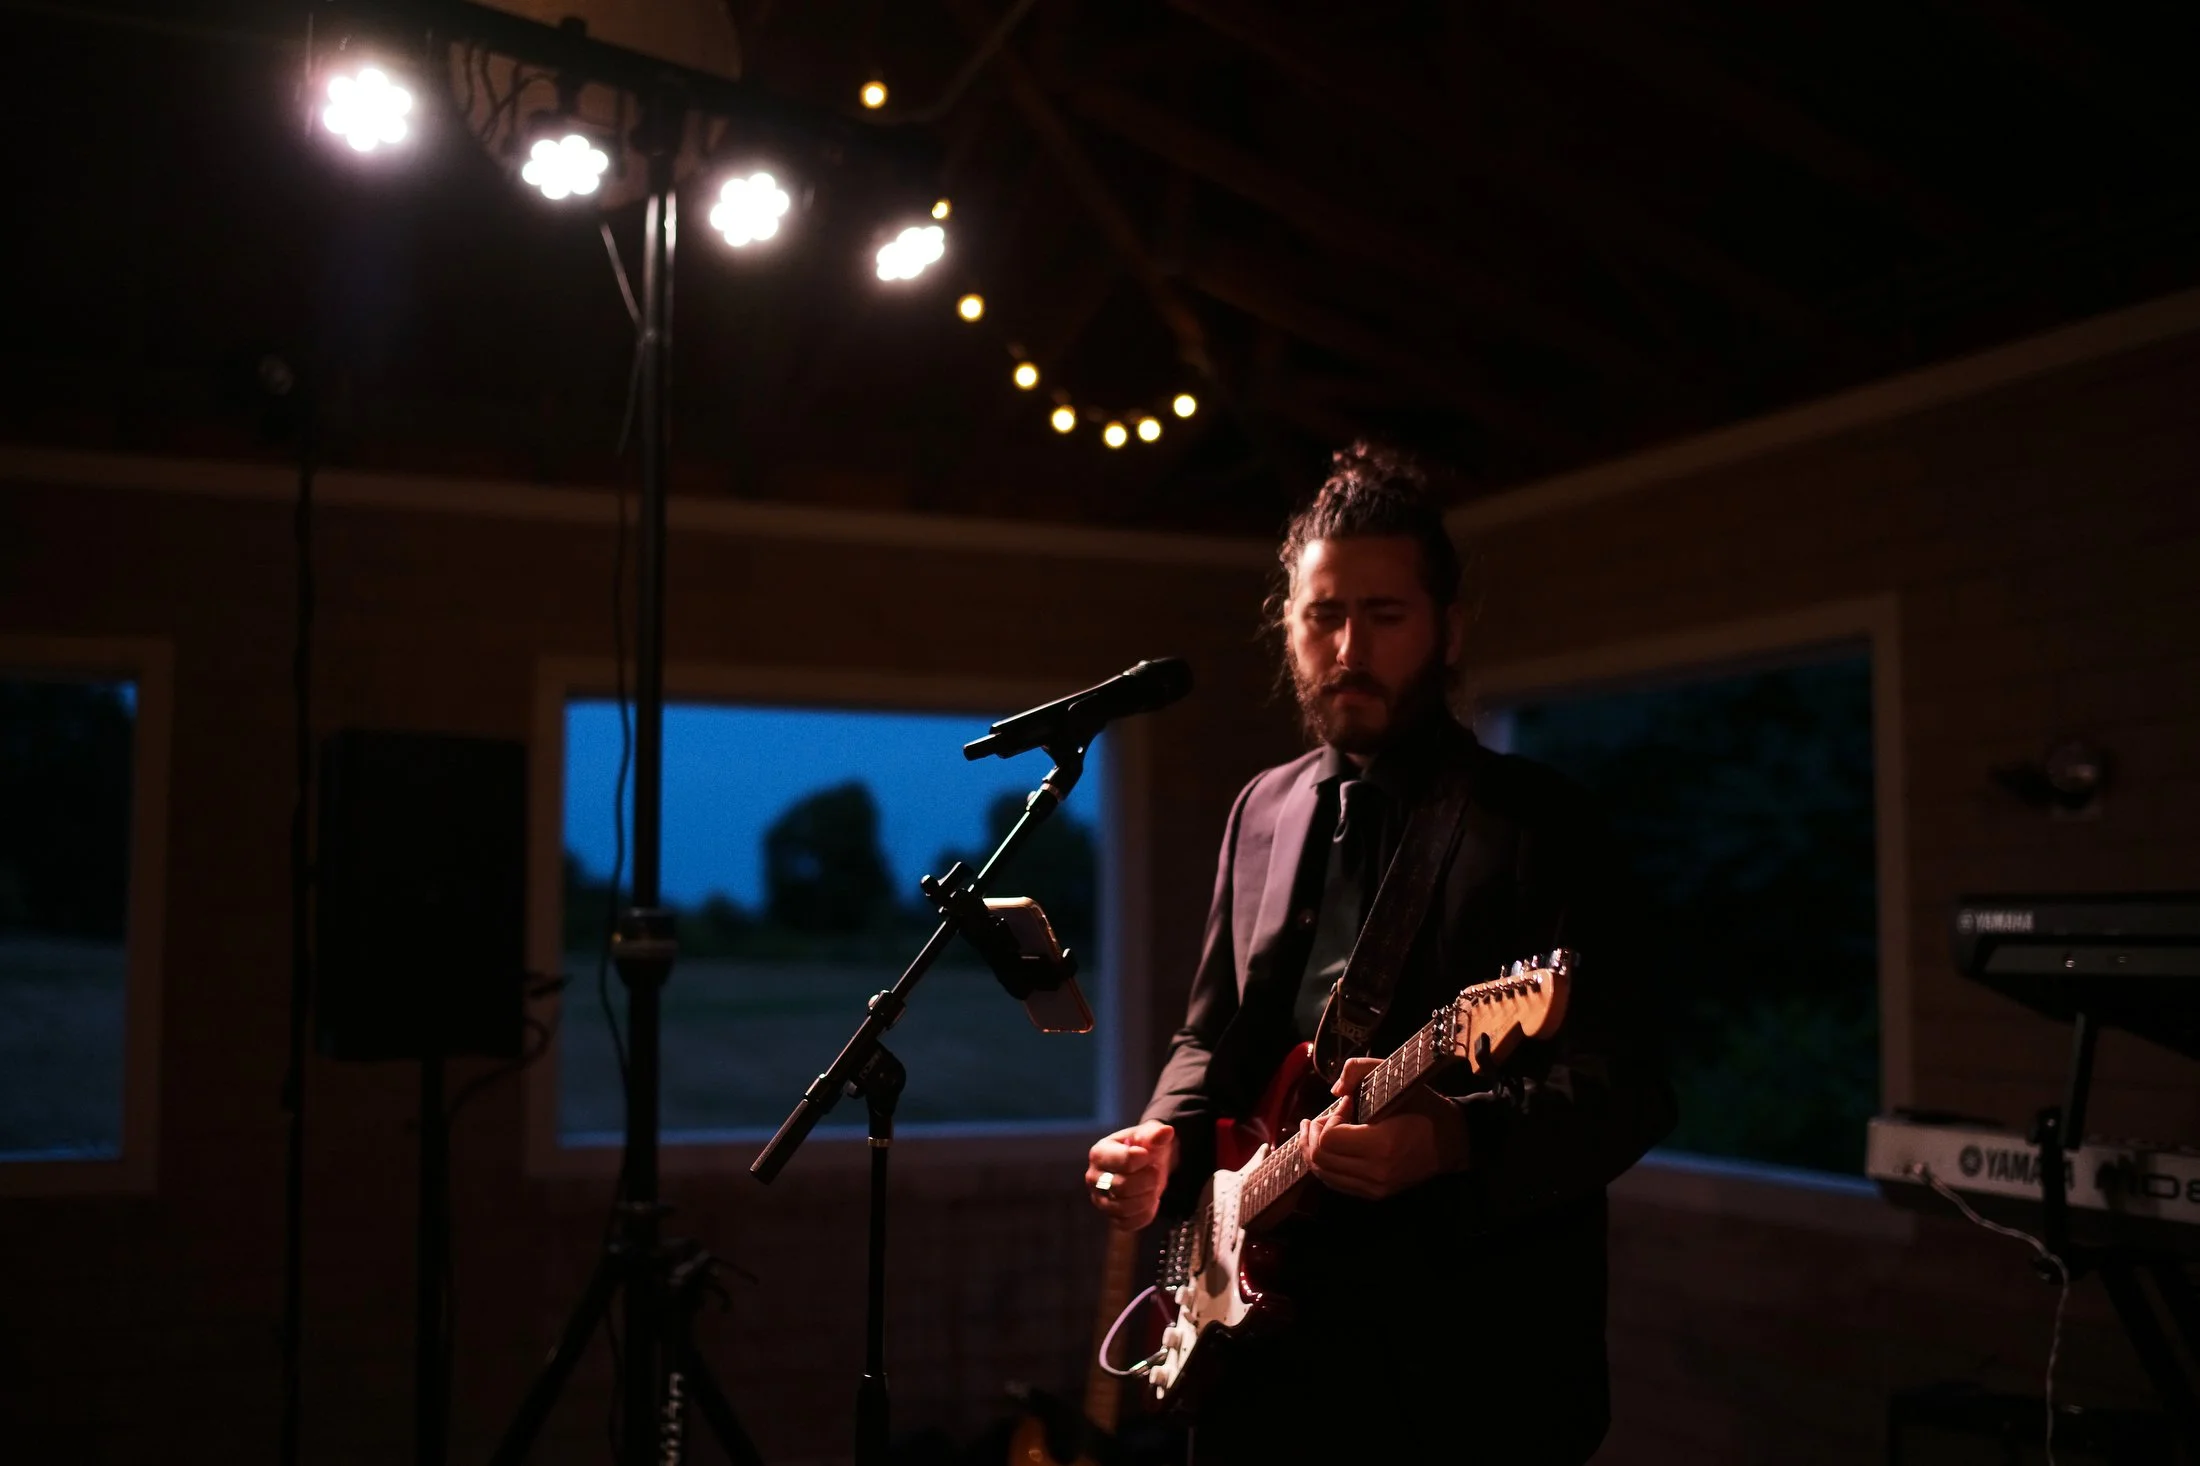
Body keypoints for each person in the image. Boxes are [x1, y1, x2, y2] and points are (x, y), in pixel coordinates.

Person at [1084, 442, 1676, 1465]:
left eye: (1383, 614)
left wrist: (1450, 1138)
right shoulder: (1261, 807)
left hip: (1456, 1363)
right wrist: (1163, 1140)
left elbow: (1630, 1085)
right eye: (1323, 614)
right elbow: (1214, 1028)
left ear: (1448, 628)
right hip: (1258, 1356)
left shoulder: (1540, 822)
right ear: (1289, 624)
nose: (1348, 644)